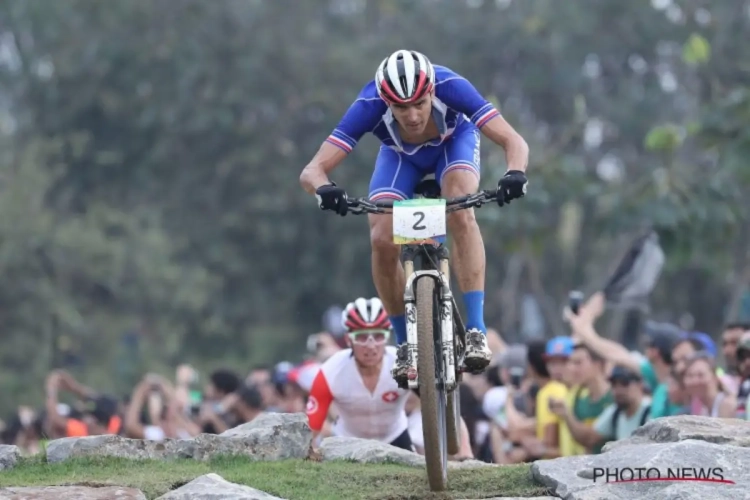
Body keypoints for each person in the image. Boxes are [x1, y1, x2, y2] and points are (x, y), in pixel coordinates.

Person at [299, 50, 530, 388]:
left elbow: (514, 140)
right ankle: (406, 342)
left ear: (432, 92)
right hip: (399, 158)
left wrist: (515, 174)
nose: (411, 116)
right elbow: (311, 171)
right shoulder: (368, 104)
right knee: (380, 236)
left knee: (459, 209)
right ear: (385, 102)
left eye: (420, 104)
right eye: (400, 108)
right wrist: (325, 190)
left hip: (453, 145)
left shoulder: (451, 85)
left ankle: (477, 329)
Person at [306, 297, 413, 450]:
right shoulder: (330, 372)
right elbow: (312, 427)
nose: (371, 346)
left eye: (378, 336)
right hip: (347, 442)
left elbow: (434, 404)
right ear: (348, 340)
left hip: (395, 437)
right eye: (362, 337)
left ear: (387, 338)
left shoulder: (403, 364)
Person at [554, 366, 650, 450]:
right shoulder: (615, 412)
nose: (618, 390)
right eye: (614, 384)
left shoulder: (650, 410)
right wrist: (566, 414)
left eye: (624, 383)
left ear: (640, 385)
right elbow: (589, 438)